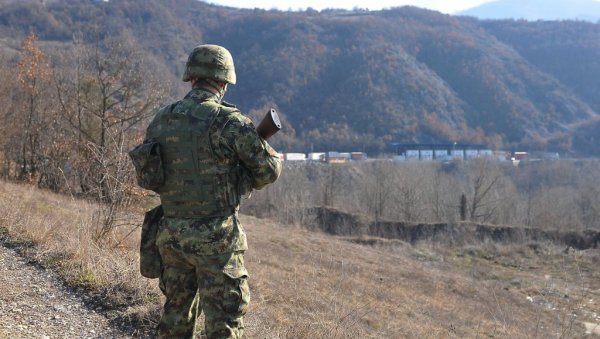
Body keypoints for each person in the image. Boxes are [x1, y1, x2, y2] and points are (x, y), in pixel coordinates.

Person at [144, 44, 282, 338]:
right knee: (224, 324)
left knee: (175, 319)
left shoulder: (161, 119)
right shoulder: (230, 122)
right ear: (223, 81)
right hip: (217, 242)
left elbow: (149, 177)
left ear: (191, 77)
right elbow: (268, 171)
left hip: (172, 236)